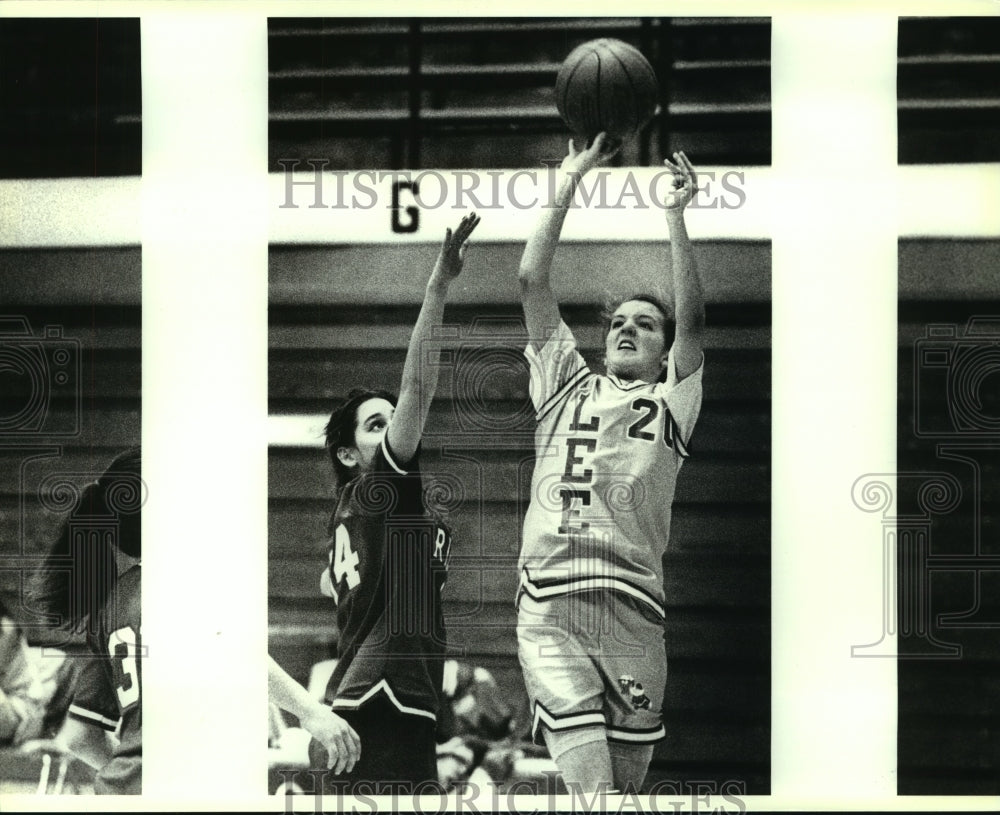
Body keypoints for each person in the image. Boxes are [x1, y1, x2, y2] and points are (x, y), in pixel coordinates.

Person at [516, 135, 705, 793]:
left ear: (663, 350)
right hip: (553, 603)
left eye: (645, 324)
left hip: (636, 613)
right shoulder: (565, 381)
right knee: (595, 794)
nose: (626, 328)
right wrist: (567, 179)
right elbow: (531, 280)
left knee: (621, 795)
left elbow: (695, 320)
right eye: (618, 320)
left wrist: (676, 217)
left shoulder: (672, 400)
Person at [307, 213, 481, 792]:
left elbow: (330, 583)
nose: (391, 431)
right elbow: (419, 388)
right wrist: (439, 285)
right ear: (351, 455)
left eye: (391, 423)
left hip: (374, 694)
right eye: (374, 425)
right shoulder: (381, 489)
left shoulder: (354, 508)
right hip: (385, 693)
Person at [30, 448, 143, 794]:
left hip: (116, 793)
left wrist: (128, 776)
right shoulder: (194, 587)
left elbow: (80, 736)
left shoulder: (112, 603)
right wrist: (311, 712)